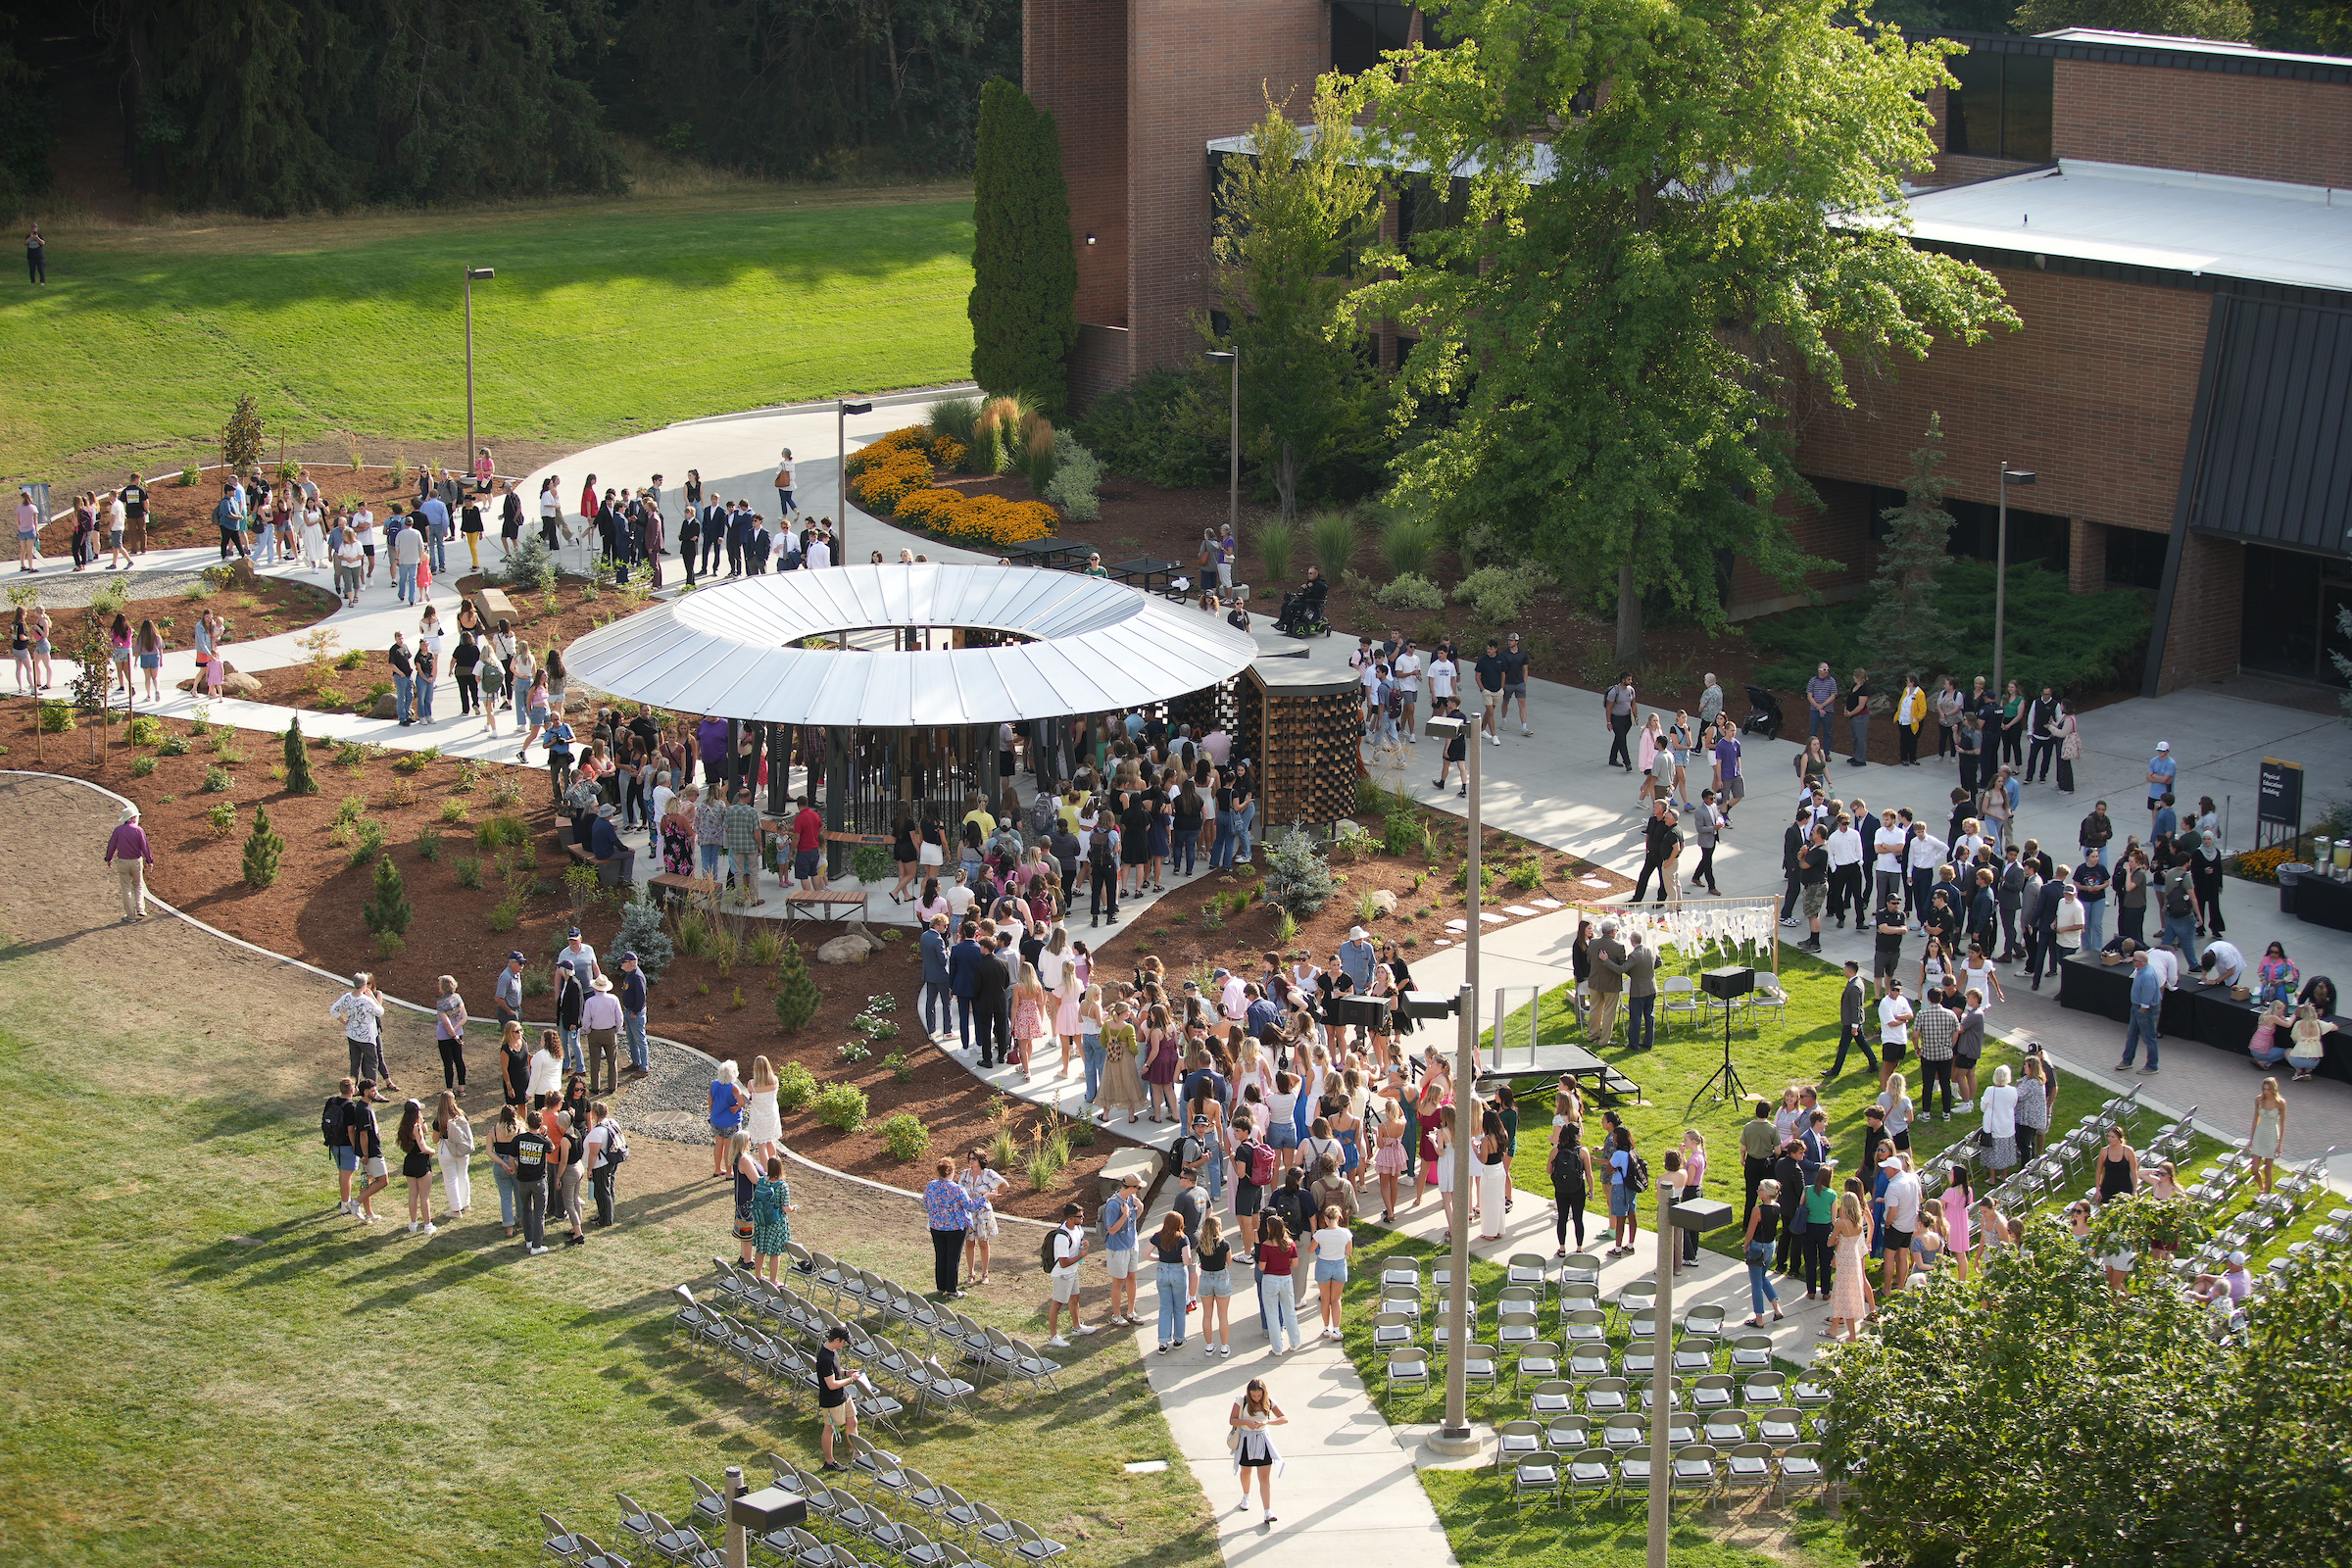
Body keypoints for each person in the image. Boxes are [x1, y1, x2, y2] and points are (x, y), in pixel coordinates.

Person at [1230, 1378, 1289, 1526]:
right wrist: (1246, 1422)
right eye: (1253, 1395)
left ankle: (1268, 1511)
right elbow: (1232, 1420)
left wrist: (1267, 1422)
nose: (1256, 1398)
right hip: (1245, 1440)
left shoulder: (1268, 1401)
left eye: (1259, 1395)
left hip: (1262, 1440)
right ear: (1249, 1393)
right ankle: (1246, 1496)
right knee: (1246, 1472)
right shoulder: (1241, 1401)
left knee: (1264, 1478)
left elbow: (1284, 1418)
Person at [1043, 1202, 1097, 1347]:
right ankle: (1053, 1337)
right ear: (1071, 1218)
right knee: (1057, 1303)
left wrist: (1084, 1245)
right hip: (1062, 1274)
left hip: (1072, 1271)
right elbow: (1063, 1263)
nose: (1083, 1218)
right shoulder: (1061, 1237)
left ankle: (1077, 1327)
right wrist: (1082, 1255)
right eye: (1080, 1216)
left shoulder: (1078, 1228)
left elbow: (1078, 1244)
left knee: (1075, 1297)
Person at [331, 972, 393, 1095]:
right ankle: (372, 1091)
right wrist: (373, 998)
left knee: (355, 1062)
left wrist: (344, 1022)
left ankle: (353, 1089)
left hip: (352, 1034)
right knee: (371, 1063)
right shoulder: (367, 1000)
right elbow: (380, 1012)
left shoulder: (347, 997)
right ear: (364, 985)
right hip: (366, 1038)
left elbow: (333, 1010)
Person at [1254, 1213, 1302, 1353]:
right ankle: (1295, 1342)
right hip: (1286, 1279)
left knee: (1272, 1315)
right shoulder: (1290, 1244)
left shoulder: (1266, 1246)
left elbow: (1262, 1267)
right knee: (1290, 1312)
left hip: (1270, 1280)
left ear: (1270, 1229)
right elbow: (1295, 1264)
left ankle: (1277, 1348)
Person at [1148, 1212, 1195, 1352]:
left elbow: (1145, 1254)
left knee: (1165, 1307)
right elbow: (1187, 1260)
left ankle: (1163, 1342)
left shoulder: (1158, 1236)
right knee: (1179, 1308)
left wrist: (1160, 1258)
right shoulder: (1183, 1238)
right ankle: (1179, 1339)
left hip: (1162, 1271)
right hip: (1178, 1271)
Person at [814, 1325, 859, 1471]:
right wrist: (852, 1379)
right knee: (830, 1429)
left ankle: (858, 1455)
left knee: (853, 1421)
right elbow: (832, 1384)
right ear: (837, 1340)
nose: (845, 1344)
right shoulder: (825, 1357)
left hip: (842, 1396)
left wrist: (846, 1373)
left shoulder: (831, 1351)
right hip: (832, 1400)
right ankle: (829, 1462)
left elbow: (834, 1371)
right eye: (844, 1342)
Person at [1102, 1173, 1144, 1326]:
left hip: (1132, 1244)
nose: (1139, 1190)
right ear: (1131, 1187)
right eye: (1138, 1187)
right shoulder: (1113, 1205)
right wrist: (1124, 1215)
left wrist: (1140, 1208)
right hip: (1118, 1248)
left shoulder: (1131, 1199)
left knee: (1132, 1277)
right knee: (1119, 1281)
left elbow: (1133, 1221)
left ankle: (1131, 1312)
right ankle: (1116, 1315)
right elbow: (1112, 1229)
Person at [103, 803, 154, 922]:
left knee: (126, 889)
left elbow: (111, 846)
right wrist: (149, 860)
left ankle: (130, 916)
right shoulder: (138, 830)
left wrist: (108, 858)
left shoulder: (118, 830)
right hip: (136, 861)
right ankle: (141, 909)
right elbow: (145, 847)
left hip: (122, 862)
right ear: (132, 818)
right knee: (138, 884)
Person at [749, 1153, 795, 1281]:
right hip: (776, 1222)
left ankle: (758, 1275)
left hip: (761, 1220)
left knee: (760, 1248)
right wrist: (792, 1208)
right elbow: (785, 1208)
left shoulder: (761, 1181)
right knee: (775, 1253)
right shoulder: (782, 1185)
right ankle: (773, 1281)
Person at [2120, 949, 2162, 1075]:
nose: (2133, 961)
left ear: (2141, 962)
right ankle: (2127, 1060)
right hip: (2137, 1008)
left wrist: (2143, 1009)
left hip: (2144, 1010)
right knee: (2132, 1035)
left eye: (2135, 960)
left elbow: (2148, 994)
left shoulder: (2147, 975)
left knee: (2149, 1038)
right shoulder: (2141, 971)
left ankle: (2152, 1066)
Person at [2247, 1077, 2286, 1195]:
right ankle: (2261, 1188)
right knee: (2254, 1169)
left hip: (2272, 1134)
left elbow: (2282, 1124)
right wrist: (2251, 1139)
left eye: (2268, 1089)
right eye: (2264, 1089)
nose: (2266, 1092)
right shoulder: (2258, 1100)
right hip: (2260, 1133)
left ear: (2274, 1089)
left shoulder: (2280, 1103)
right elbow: (2255, 1119)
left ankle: (2266, 1194)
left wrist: (2279, 1144)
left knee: (2268, 1169)